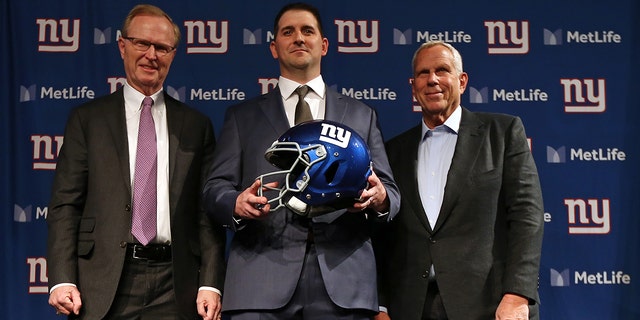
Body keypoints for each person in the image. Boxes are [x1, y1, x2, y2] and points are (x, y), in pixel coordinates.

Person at [202, 2, 400, 319]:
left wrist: (379, 197)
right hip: (260, 280)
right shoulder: (242, 117)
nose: (298, 38)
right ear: (273, 47)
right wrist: (236, 203)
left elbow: (390, 190)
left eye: (307, 31)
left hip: (344, 284)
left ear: (323, 45)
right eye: (288, 32)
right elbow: (214, 188)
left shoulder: (361, 115)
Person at [46, 4, 225, 319]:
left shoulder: (196, 126)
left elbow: (205, 213)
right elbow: (65, 205)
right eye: (142, 43)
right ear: (122, 46)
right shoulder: (88, 120)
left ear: (173, 54)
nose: (151, 55)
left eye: (162, 47)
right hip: (102, 281)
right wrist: (62, 278)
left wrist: (210, 283)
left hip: (176, 282)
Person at [374, 41, 544, 320]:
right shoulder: (393, 152)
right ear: (413, 85)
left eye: (442, 70)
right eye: (423, 73)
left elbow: (528, 217)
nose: (432, 80)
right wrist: (379, 306)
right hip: (412, 308)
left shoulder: (502, 133)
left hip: (490, 306)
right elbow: (382, 236)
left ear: (462, 81)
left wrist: (517, 294)